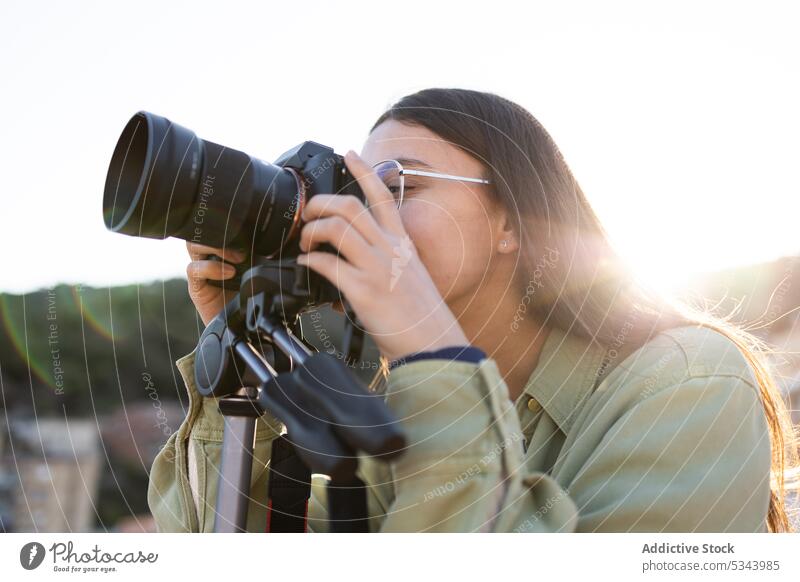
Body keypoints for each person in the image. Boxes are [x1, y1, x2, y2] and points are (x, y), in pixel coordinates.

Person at [148, 88, 799, 532]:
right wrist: (236, 353)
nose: (363, 213)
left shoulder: (691, 383)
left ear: (513, 220)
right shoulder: (396, 418)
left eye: (398, 184)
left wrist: (433, 357)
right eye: (355, 189)